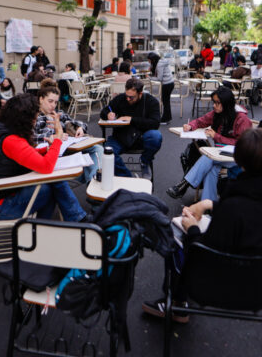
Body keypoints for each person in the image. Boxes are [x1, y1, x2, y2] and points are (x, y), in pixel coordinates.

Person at [143, 128, 262, 322]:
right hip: (257, 288)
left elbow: (205, 252)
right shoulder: (237, 204)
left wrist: (192, 228)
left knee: (174, 231)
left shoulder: (232, 207)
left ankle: (177, 304)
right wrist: (210, 204)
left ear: (238, 161)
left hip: (219, 285)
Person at [0, 93, 87, 222]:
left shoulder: (2, 128)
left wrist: (46, 150)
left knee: (52, 183)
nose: (35, 121)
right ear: (25, 119)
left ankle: (48, 225)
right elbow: (46, 167)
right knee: (52, 185)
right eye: (35, 117)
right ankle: (71, 220)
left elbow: (22, 154)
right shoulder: (11, 139)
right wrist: (58, 139)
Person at [167, 87, 252, 201]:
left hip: (239, 157)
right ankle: (209, 205)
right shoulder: (217, 113)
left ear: (226, 104)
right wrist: (190, 126)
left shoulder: (241, 119)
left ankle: (184, 184)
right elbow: (200, 121)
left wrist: (217, 136)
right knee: (212, 167)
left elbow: (243, 143)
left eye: (218, 103)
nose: (214, 105)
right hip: (220, 155)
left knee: (208, 157)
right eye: (214, 102)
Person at [34, 80, 103, 183]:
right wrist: (54, 136)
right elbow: (32, 136)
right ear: (41, 99)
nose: (53, 105)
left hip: (68, 148)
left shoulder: (58, 113)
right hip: (53, 153)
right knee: (93, 157)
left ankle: (93, 183)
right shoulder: (36, 117)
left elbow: (78, 122)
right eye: (50, 101)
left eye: (56, 102)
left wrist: (80, 128)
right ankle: (93, 183)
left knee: (98, 148)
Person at [100, 78, 162, 180]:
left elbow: (155, 123)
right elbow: (105, 110)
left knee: (156, 136)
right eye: (127, 96)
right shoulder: (121, 98)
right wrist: (108, 114)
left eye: (131, 97)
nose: (128, 99)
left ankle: (144, 162)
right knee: (108, 152)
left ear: (140, 94)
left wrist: (131, 120)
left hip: (141, 137)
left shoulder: (151, 101)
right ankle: (128, 179)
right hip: (120, 137)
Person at [148, 52, 175, 124]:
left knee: (165, 101)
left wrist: (150, 78)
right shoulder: (161, 62)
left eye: (149, 60)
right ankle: (167, 117)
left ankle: (165, 118)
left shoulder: (159, 65)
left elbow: (159, 78)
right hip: (170, 83)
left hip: (167, 84)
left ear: (153, 59)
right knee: (166, 101)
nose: (149, 62)